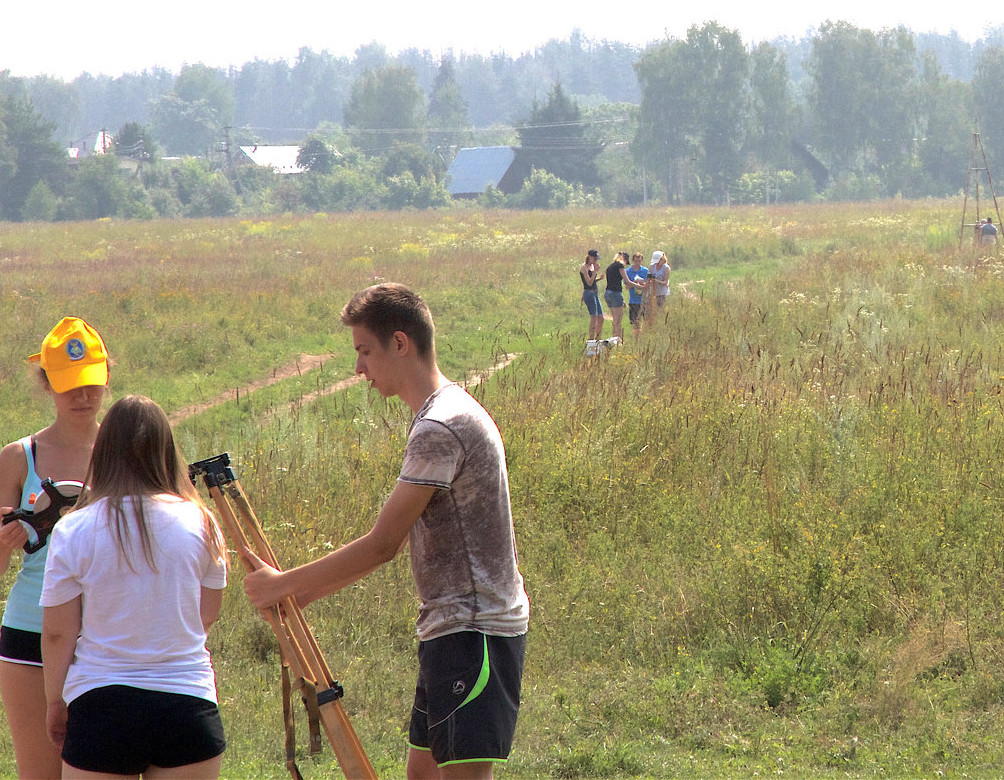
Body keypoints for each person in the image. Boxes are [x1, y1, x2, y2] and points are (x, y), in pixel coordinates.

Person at [243, 283, 529, 780]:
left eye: (364, 351)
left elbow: (382, 545)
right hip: (448, 629)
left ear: (400, 343)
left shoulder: (442, 425)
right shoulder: (442, 413)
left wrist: (284, 585)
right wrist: (301, 595)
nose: (358, 369)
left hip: (473, 633)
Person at [40, 395, 229, 779]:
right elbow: (205, 615)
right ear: (167, 450)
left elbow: (59, 633)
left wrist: (54, 700)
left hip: (101, 703)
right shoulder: (203, 522)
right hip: (187, 701)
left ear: (103, 452)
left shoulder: (73, 529)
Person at [0, 317, 109, 780]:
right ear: (48, 384)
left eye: (92, 383)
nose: (84, 397)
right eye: (71, 386)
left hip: (106, 633)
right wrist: (4, 542)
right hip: (30, 631)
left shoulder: (122, 450)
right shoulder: (19, 456)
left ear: (106, 375)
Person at [623, 253, 650, 342]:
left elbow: (648, 285)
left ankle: (644, 338)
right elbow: (627, 286)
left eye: (639, 261)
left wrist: (642, 283)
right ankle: (636, 340)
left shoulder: (645, 270)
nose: (637, 263)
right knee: (635, 322)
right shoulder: (628, 271)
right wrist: (634, 282)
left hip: (644, 300)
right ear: (633, 261)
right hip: (634, 300)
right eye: (635, 261)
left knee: (645, 320)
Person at [579, 249, 604, 341]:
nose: (596, 261)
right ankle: (591, 340)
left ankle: (598, 339)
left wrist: (598, 278)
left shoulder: (592, 267)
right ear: (589, 257)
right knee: (594, 317)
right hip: (589, 293)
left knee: (601, 318)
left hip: (595, 292)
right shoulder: (584, 267)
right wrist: (595, 272)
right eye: (594, 258)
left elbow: (592, 280)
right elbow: (588, 282)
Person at [603, 252, 629, 342]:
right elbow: (627, 280)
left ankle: (613, 339)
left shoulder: (610, 267)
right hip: (615, 293)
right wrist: (641, 287)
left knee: (615, 319)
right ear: (624, 260)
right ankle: (617, 341)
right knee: (618, 321)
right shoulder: (620, 266)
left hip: (608, 293)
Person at [648, 251, 671, 325]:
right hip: (653, 293)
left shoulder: (666, 268)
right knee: (653, 311)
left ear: (661, 259)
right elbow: (649, 277)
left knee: (661, 311)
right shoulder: (652, 266)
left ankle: (662, 324)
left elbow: (665, 282)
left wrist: (656, 281)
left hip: (662, 293)